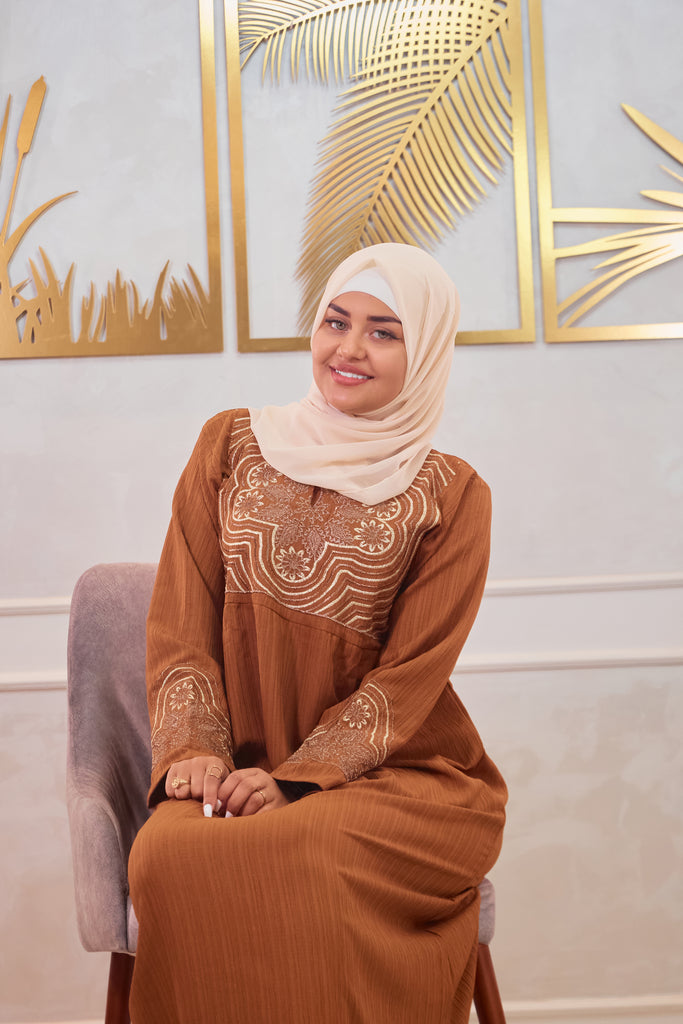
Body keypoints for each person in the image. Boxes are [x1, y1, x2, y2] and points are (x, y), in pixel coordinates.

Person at [128, 242, 507, 1024]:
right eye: (336, 321)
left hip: (393, 777)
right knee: (167, 851)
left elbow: (410, 676)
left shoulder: (452, 494)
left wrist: (300, 779)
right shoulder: (229, 444)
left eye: (383, 331)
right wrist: (195, 750)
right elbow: (179, 620)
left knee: (310, 849)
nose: (348, 348)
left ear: (426, 350)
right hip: (236, 762)